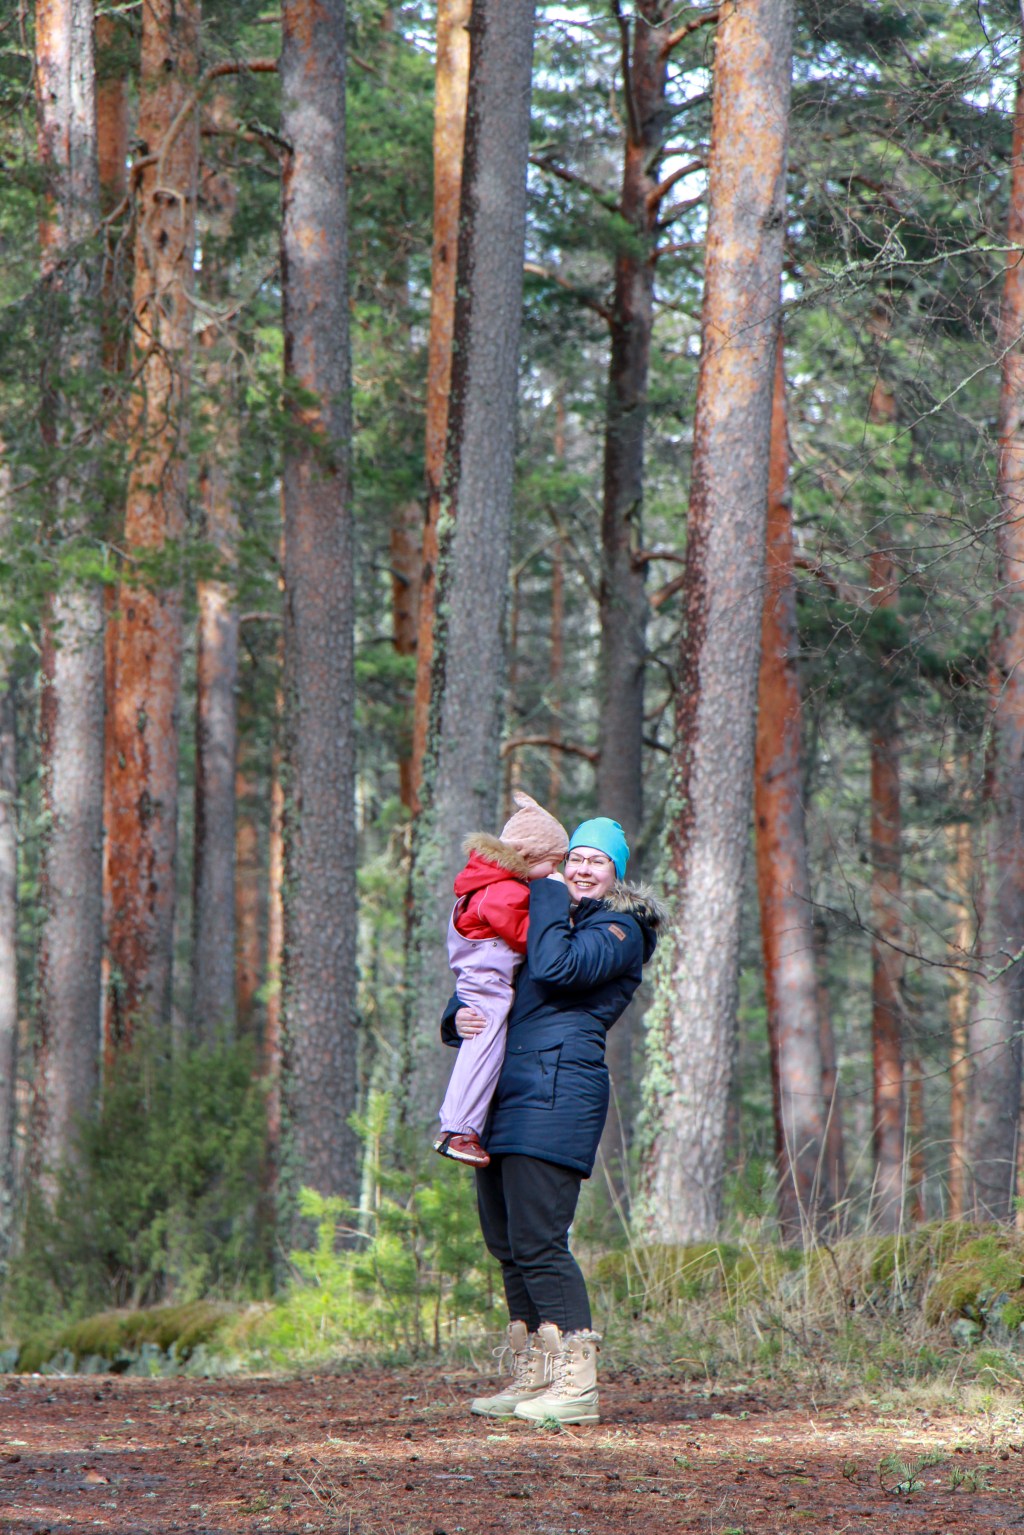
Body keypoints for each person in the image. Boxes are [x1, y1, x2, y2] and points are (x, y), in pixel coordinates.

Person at [441, 815, 663, 1425]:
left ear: (616, 871)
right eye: (577, 858)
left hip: (559, 1089)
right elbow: (491, 980)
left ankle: (577, 1384)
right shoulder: (552, 917)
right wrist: (454, 1019)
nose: (584, 869)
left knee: (540, 1239)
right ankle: (533, 1375)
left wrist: (539, 888)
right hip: (502, 1092)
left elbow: (556, 971)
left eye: (598, 860)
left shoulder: (622, 927)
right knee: (507, 1243)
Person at [434, 791, 569, 1168]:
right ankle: (458, 1128)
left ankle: (461, 1125)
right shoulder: (504, 891)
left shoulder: (492, 882)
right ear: (529, 857)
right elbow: (530, 938)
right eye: (553, 864)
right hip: (486, 979)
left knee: (484, 1041)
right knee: (484, 1043)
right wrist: (557, 906)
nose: (555, 872)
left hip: (483, 973)